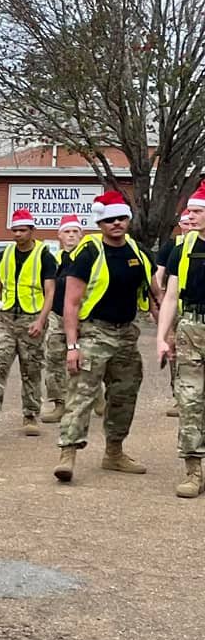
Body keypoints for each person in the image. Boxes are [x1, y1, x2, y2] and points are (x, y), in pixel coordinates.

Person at [54, 189, 153, 483]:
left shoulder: (138, 252)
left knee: (124, 395)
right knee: (81, 394)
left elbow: (154, 294)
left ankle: (114, 452)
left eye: (121, 218)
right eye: (110, 219)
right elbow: (71, 303)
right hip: (94, 332)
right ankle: (67, 455)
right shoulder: (89, 253)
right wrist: (72, 346)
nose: (116, 223)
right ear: (100, 223)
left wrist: (167, 333)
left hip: (127, 334)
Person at [0, 207, 55, 439]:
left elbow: (50, 292)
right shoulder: (3, 256)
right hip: (6, 318)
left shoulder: (44, 257)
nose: (18, 234)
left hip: (31, 319)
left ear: (32, 230)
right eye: (15, 230)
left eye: (23, 230)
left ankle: (30, 415)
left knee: (31, 370)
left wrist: (41, 320)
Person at [156, 187, 205, 496]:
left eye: (197, 211)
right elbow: (171, 297)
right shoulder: (182, 248)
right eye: (190, 211)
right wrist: (162, 337)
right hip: (191, 328)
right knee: (190, 401)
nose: (190, 216)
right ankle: (193, 472)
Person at [39, 214, 87, 422]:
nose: (71, 235)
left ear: (81, 235)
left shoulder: (87, 258)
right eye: (67, 232)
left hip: (83, 317)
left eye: (75, 231)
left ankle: (92, 398)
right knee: (53, 360)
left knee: (86, 361)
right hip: (57, 316)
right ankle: (60, 404)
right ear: (59, 235)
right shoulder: (54, 260)